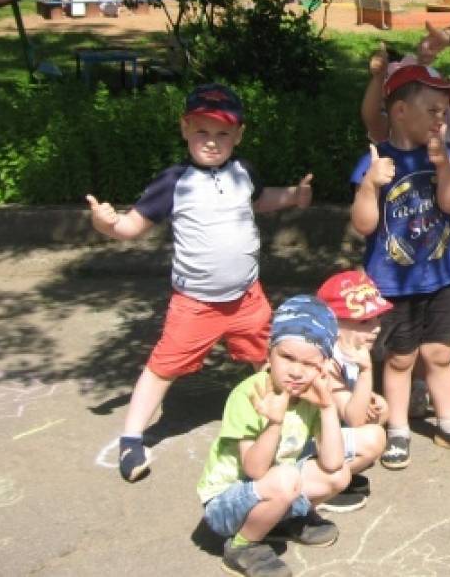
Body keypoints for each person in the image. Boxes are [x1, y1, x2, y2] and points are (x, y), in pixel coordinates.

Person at [86, 83, 313, 484]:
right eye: (202, 131)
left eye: (223, 133)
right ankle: (132, 437)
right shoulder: (174, 181)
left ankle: (286, 424)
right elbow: (131, 227)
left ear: (238, 134)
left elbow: (260, 199)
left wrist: (295, 195)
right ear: (185, 128)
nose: (212, 141)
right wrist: (107, 225)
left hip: (247, 298)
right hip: (195, 304)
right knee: (163, 367)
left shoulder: (244, 172)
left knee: (268, 360)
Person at [350, 64, 450, 468]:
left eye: (445, 112)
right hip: (393, 281)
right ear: (400, 111)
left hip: (442, 277)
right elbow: (363, 225)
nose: (441, 119)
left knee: (441, 353)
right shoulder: (376, 160)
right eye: (432, 110)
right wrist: (369, 184)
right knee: (400, 358)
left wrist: (443, 166)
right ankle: (397, 430)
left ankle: (448, 423)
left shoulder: (446, 155)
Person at [195, 296, 350, 577]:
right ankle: (242, 546)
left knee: (340, 475)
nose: (296, 371)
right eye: (287, 357)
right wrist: (274, 423)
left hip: (272, 486)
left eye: (310, 364)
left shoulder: (311, 396)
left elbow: (332, 462)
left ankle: (279, 521)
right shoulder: (250, 393)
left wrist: (327, 407)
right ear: (269, 354)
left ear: (324, 366)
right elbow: (255, 470)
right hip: (225, 503)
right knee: (285, 478)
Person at [313, 270, 393, 513]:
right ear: (333, 324)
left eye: (377, 319)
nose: (376, 328)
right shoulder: (325, 362)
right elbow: (355, 419)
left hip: (321, 434)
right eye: (364, 323)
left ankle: (332, 473)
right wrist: (367, 372)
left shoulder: (345, 350)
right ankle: (318, 488)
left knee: (381, 410)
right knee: (374, 439)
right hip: (299, 443)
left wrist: (368, 397)